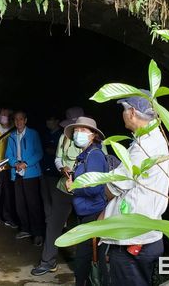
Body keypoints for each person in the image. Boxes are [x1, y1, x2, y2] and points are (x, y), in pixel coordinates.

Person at [102, 93, 169, 286]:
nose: (122, 115)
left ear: (131, 112)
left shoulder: (145, 146)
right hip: (144, 234)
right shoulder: (153, 139)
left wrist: (105, 191)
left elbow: (116, 184)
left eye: (123, 110)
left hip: (133, 238)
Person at [31, 106, 84, 276]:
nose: (76, 130)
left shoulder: (96, 140)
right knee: (54, 223)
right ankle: (48, 261)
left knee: (88, 226)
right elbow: (58, 158)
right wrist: (62, 168)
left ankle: (88, 264)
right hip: (64, 186)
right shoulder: (65, 137)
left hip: (86, 190)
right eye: (73, 126)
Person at [64, 117, 108, 286]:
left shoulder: (95, 155)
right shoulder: (85, 155)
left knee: (83, 260)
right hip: (85, 213)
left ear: (93, 135)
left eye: (83, 131)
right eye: (76, 131)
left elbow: (95, 188)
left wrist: (75, 186)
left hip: (93, 214)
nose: (77, 134)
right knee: (85, 258)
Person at [5, 110, 45, 246]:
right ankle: (25, 229)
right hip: (16, 174)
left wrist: (25, 163)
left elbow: (39, 153)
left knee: (33, 204)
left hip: (31, 174)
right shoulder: (11, 136)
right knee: (20, 204)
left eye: (21, 119)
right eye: (16, 119)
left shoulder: (33, 134)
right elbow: (8, 155)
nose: (18, 122)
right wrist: (15, 164)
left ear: (25, 120)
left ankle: (38, 232)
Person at [0, 108, 18, 230]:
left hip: (10, 167)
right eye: (1, 114)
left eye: (5, 114)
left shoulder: (14, 131)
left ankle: (8, 218)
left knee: (9, 194)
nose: (2, 116)